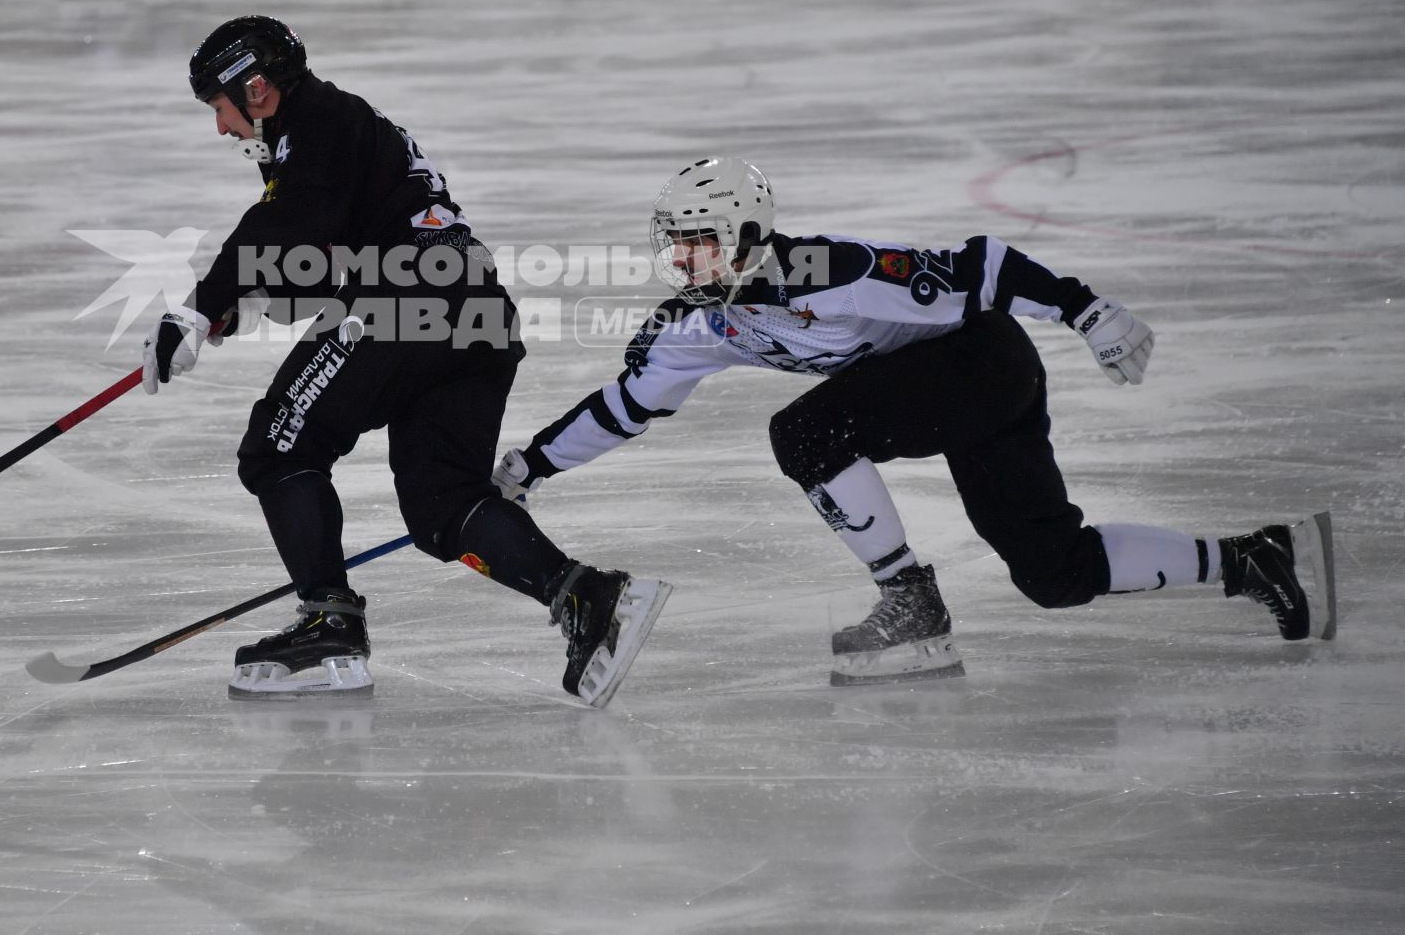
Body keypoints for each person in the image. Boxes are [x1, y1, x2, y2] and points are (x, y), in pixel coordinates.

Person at [494, 156, 1337, 686]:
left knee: (807, 433)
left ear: (748, 233)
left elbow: (984, 265)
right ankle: (1255, 559)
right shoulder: (698, 322)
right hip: (935, 393)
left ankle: (909, 600)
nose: (681, 260)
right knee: (1054, 573)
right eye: (673, 243)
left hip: (981, 364)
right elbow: (626, 406)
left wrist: (1086, 311)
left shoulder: (833, 270)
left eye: (699, 241)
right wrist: (530, 468)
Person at [139, 16, 671, 704]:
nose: (221, 128)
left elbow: (285, 228)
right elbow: (318, 250)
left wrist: (195, 305)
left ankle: (328, 618)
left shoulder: (321, 122)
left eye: (219, 106)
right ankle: (587, 599)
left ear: (259, 90)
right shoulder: (327, 135)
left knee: (280, 446)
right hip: (474, 314)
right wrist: (240, 306)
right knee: (441, 505)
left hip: (407, 301)